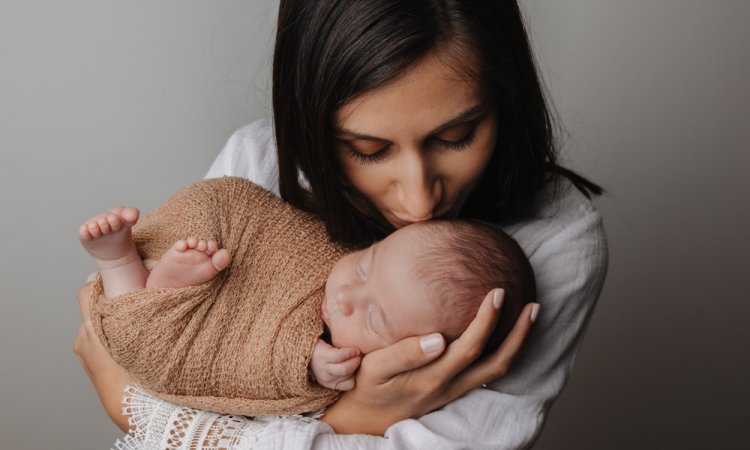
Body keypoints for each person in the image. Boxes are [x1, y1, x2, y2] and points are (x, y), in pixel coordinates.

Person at [73, 1, 608, 448]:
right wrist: (360, 420)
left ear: (506, 98)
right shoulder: (258, 167)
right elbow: (154, 339)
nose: (419, 203)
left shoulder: (553, 237)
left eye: (456, 136)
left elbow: (128, 385)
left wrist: (122, 399)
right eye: (369, 150)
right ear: (308, 117)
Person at [79, 177, 534, 417]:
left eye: (374, 320)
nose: (346, 295)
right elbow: (282, 240)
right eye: (365, 264)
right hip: (229, 239)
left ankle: (120, 264)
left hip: (197, 336)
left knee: (145, 344)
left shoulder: (340, 354)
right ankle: (157, 279)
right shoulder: (329, 252)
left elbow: (263, 364)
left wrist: (311, 364)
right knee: (219, 229)